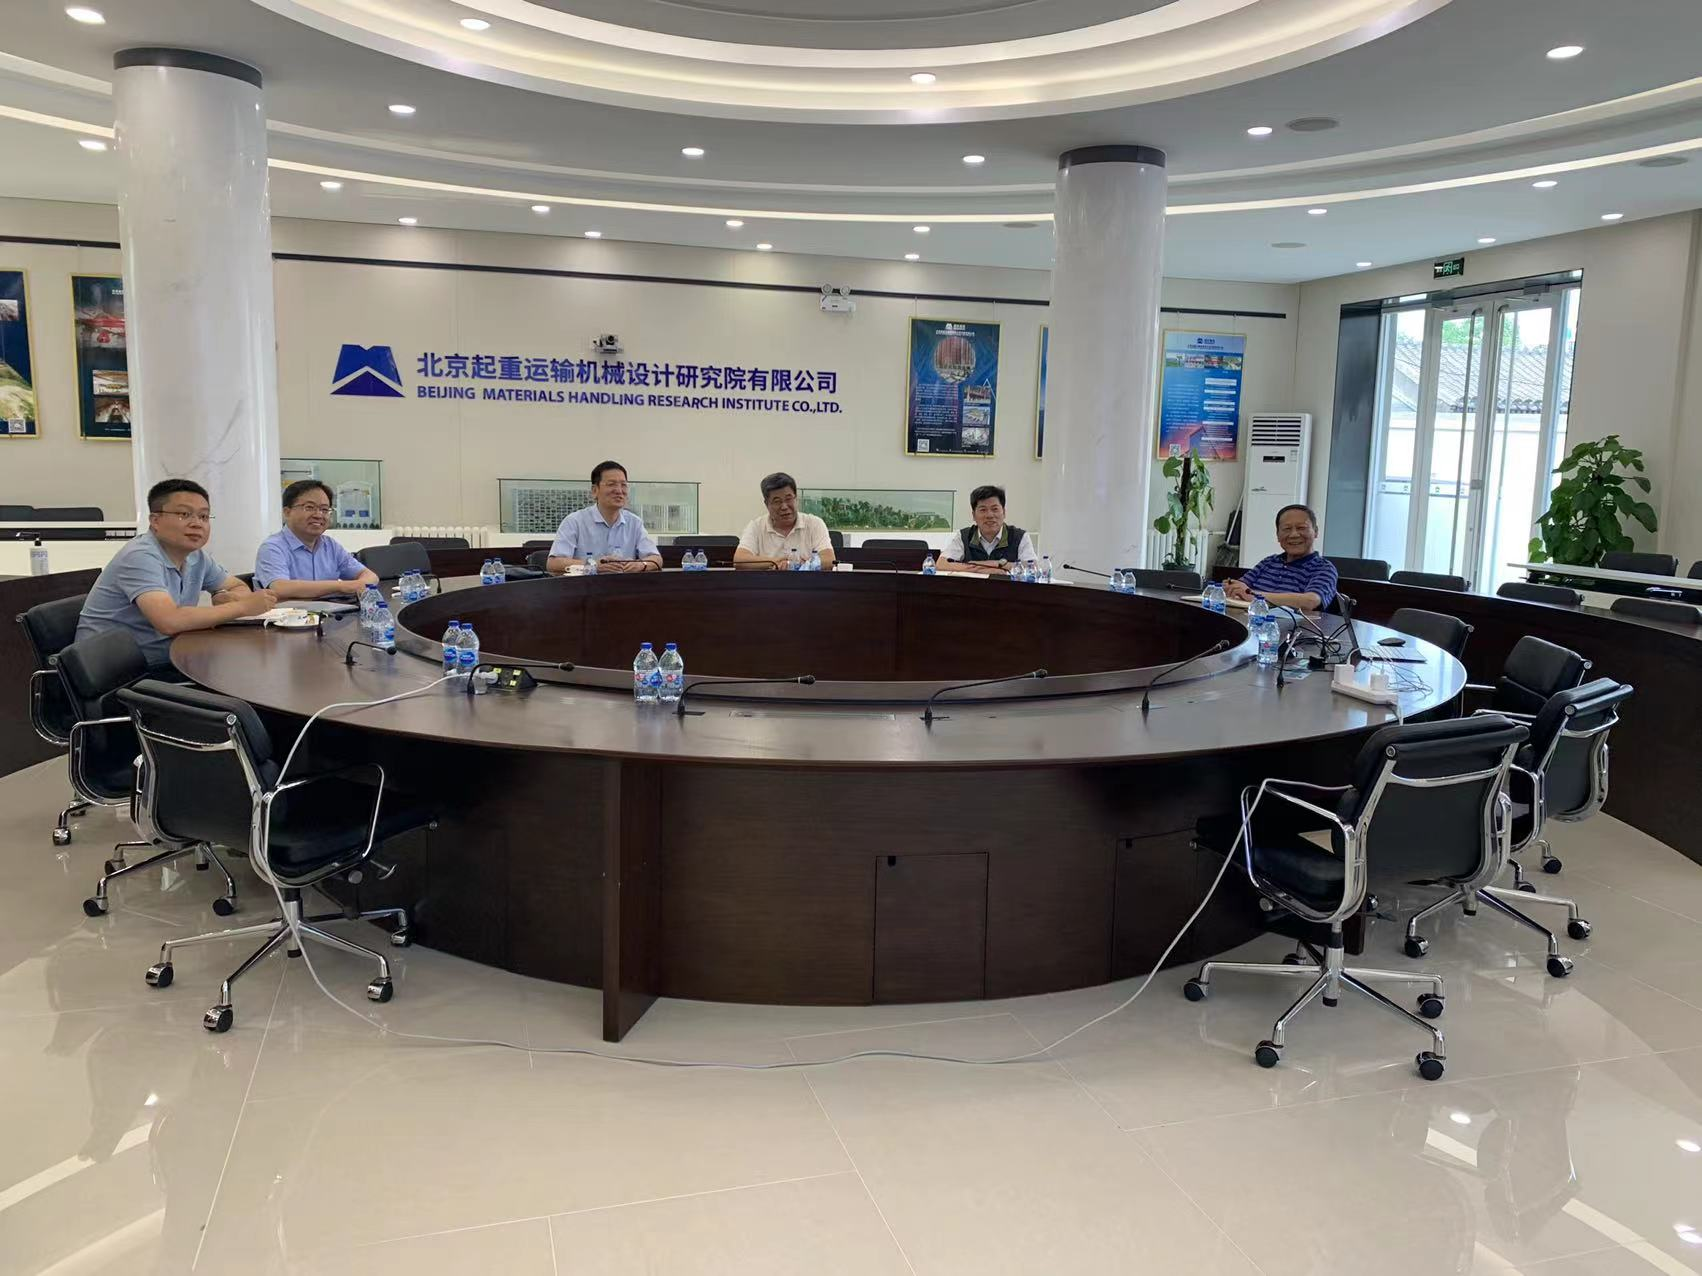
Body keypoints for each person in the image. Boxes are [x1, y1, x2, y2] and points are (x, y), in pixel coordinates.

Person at [76, 478, 276, 669]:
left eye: (203, 516)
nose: (197, 523)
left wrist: (223, 595)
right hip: (118, 671)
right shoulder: (140, 556)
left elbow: (237, 586)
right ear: (155, 520)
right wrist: (242, 607)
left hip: (164, 656)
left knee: (247, 660)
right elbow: (169, 621)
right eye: (184, 514)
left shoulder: (196, 556)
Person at [253, 479, 380, 600]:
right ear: (287, 512)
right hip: (291, 614)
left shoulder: (330, 545)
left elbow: (370, 576)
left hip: (332, 612)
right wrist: (342, 586)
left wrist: (360, 584)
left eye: (324, 510)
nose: (318, 515)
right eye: (309, 507)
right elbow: (280, 588)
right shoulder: (272, 548)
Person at [545, 461, 662, 574]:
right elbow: (554, 563)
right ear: (595, 491)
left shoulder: (634, 522)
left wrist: (641, 564)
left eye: (623, 485)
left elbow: (656, 559)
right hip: (585, 586)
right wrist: (593, 566)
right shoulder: (574, 521)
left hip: (625, 586)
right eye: (611, 484)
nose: (619, 491)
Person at [1225, 503, 1339, 611]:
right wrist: (1232, 587)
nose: (1294, 534)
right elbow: (1240, 586)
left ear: (1316, 532)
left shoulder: (1324, 568)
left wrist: (1253, 595)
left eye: (1301, 528)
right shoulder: (1269, 562)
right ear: (1278, 535)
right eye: (1287, 529)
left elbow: (1310, 601)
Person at [734, 472, 836, 570]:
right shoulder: (756, 526)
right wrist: (776, 562)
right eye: (777, 501)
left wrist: (798, 564)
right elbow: (739, 561)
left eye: (788, 499)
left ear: (796, 499)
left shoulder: (814, 524)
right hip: (768, 582)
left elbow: (829, 560)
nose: (784, 507)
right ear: (767, 504)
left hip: (806, 581)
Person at [938, 484, 1037, 573]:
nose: (989, 515)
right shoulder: (964, 536)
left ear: (1004, 512)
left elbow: (1032, 568)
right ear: (973, 515)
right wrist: (987, 569)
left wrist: (996, 564)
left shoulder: (1019, 536)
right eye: (983, 510)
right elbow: (941, 564)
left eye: (995, 509)